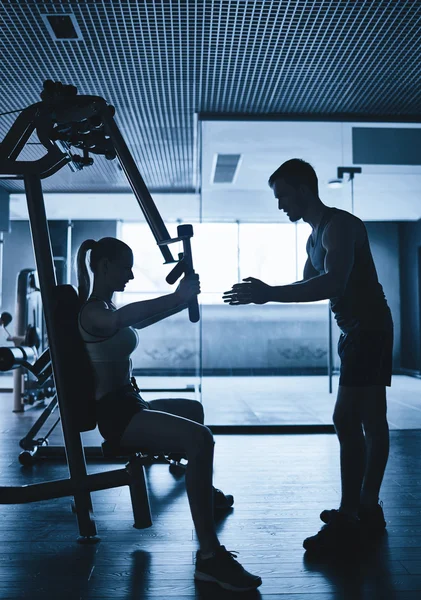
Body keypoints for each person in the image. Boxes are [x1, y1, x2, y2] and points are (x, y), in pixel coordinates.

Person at [223, 158, 393, 554]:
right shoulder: (313, 236)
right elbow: (308, 284)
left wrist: (268, 292)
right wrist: (260, 295)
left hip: (368, 328)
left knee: (348, 418)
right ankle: (367, 508)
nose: (280, 204)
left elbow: (333, 281)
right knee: (370, 418)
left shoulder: (340, 226)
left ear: (302, 189)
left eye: (283, 195)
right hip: (356, 330)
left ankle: (352, 514)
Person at [76, 237, 262, 592]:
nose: (131, 274)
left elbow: (140, 320)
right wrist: (178, 296)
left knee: (194, 411)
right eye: (126, 266)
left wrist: (181, 300)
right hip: (117, 417)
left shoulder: (105, 307)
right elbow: (125, 318)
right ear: (104, 267)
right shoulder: (93, 312)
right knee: (200, 439)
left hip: (132, 404)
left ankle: (202, 491)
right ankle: (209, 557)